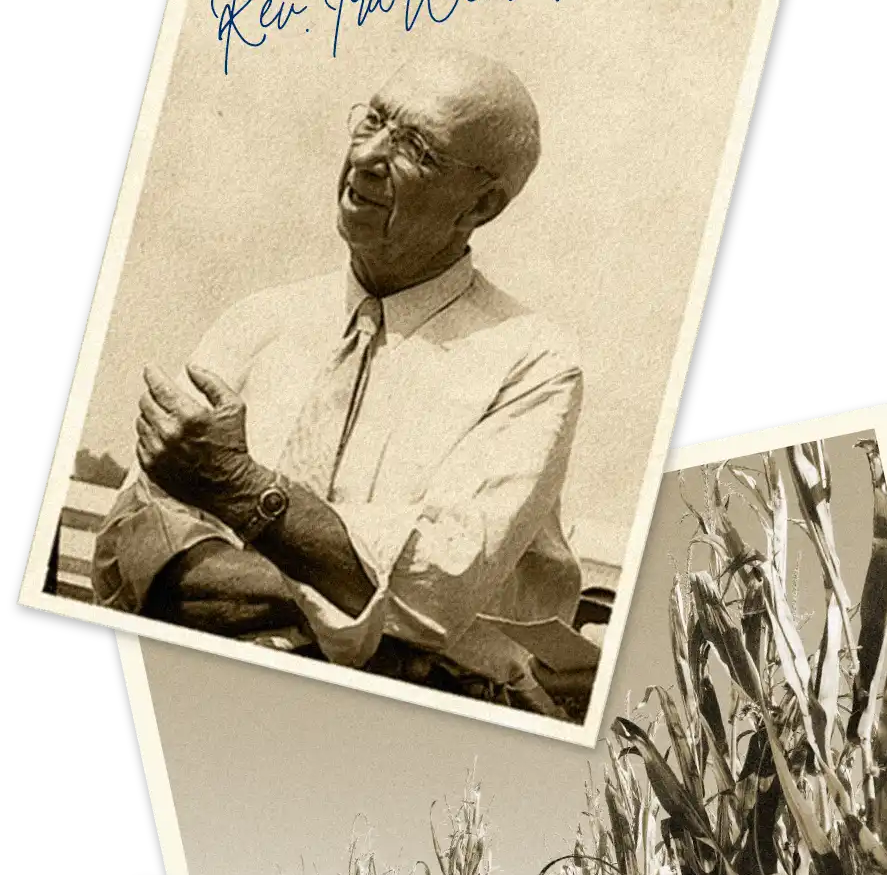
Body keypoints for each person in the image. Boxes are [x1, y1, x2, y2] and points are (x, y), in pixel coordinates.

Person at [91, 50, 593, 716]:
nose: (367, 156)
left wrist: (241, 491)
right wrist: (390, 622)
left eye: (414, 145)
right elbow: (132, 551)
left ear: (482, 205)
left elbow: (439, 583)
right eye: (373, 120)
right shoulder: (257, 321)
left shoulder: (533, 362)